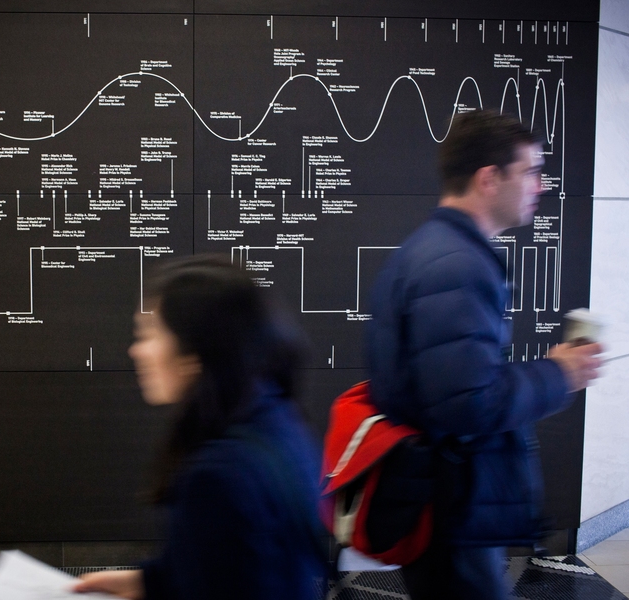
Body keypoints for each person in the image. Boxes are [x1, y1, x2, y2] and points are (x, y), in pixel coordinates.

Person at [366, 110, 603, 600]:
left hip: (445, 505)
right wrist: (559, 374)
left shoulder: (436, 251)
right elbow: (469, 403)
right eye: (531, 171)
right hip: (454, 510)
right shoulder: (456, 265)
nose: (540, 185)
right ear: (489, 178)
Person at [73, 256, 326, 600]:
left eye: (149, 333)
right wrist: (146, 583)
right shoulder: (275, 417)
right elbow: (233, 567)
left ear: (193, 353)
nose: (136, 350)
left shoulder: (217, 477)